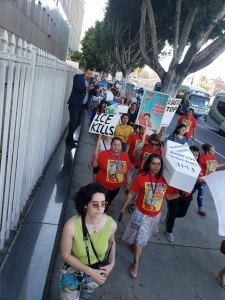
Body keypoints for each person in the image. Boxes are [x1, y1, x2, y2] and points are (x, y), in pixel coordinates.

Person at [119, 154, 178, 278]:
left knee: (141, 238)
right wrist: (123, 207)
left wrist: (180, 194)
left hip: (154, 215)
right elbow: (131, 194)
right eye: (153, 163)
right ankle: (136, 262)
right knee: (137, 234)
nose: (156, 166)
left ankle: (135, 260)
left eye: (158, 164)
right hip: (140, 213)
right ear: (148, 164)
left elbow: (167, 197)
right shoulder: (141, 177)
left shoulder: (165, 180)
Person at [59, 182, 117, 299]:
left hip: (96, 270)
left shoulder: (111, 225)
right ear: (85, 205)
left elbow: (111, 242)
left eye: (103, 204)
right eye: (95, 205)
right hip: (73, 269)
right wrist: (90, 272)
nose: (100, 209)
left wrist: (111, 264)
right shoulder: (71, 226)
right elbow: (66, 255)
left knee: (85, 297)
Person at [92, 137, 131, 212]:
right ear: (111, 145)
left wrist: (128, 182)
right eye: (114, 144)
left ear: (121, 146)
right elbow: (95, 165)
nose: (116, 146)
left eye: (118, 145)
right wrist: (94, 158)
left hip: (116, 187)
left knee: (108, 201)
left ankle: (104, 212)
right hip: (102, 186)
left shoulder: (125, 156)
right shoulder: (103, 154)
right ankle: (95, 213)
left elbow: (128, 169)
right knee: (99, 201)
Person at [66, 66, 95, 147]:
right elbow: (76, 88)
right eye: (88, 73)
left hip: (83, 105)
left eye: (91, 74)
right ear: (84, 72)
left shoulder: (91, 81)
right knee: (73, 122)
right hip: (75, 104)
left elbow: (92, 92)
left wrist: (97, 91)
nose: (90, 75)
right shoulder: (77, 77)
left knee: (78, 122)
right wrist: (86, 88)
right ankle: (69, 140)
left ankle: (69, 138)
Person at [195, 143, 225, 216]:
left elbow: (216, 165)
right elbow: (196, 166)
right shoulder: (202, 157)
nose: (214, 152)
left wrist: (224, 164)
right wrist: (198, 176)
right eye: (213, 151)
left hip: (207, 180)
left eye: (214, 150)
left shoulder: (213, 157)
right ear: (207, 151)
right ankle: (200, 209)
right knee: (201, 193)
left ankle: (183, 196)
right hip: (201, 179)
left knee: (194, 190)